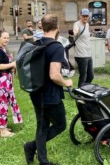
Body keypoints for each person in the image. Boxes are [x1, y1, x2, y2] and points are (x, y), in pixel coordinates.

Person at [23, 14, 73, 165]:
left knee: (42, 125)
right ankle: (32, 147)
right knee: (60, 125)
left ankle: (40, 158)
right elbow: (54, 75)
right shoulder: (56, 47)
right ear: (57, 28)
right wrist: (67, 83)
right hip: (50, 95)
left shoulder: (37, 43)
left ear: (42, 27)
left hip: (36, 92)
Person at [0, 30, 22, 137]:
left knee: (0, 104)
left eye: (8, 38)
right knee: (2, 104)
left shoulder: (2, 49)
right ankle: (3, 131)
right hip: (1, 80)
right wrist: (12, 64)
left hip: (6, 79)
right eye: (4, 38)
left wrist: (11, 67)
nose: (6, 40)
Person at [73, 8, 94, 87]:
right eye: (83, 16)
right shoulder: (77, 24)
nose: (85, 18)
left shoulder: (87, 24)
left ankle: (85, 89)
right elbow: (75, 30)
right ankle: (80, 94)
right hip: (81, 55)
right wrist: (75, 32)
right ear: (80, 16)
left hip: (88, 54)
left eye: (87, 16)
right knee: (83, 76)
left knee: (91, 76)